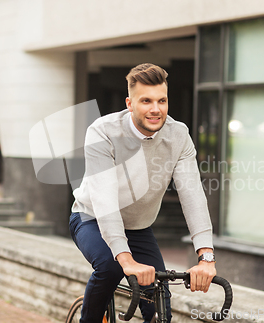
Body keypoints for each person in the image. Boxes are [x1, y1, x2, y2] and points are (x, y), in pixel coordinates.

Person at [69, 63, 216, 323]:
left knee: (160, 307)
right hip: (91, 217)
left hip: (138, 227)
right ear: (129, 103)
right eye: (146, 101)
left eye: (162, 100)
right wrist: (125, 259)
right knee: (110, 266)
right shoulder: (103, 132)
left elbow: (192, 195)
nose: (156, 109)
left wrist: (206, 257)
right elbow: (105, 200)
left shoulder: (178, 135)